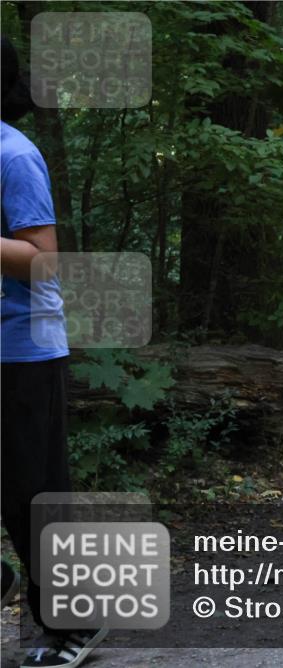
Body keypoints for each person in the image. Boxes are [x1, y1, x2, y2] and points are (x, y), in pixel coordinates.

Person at [1, 36, 107, 668]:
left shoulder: (15, 156)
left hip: (20, 350)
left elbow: (44, 260)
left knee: (31, 494)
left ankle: (76, 624)